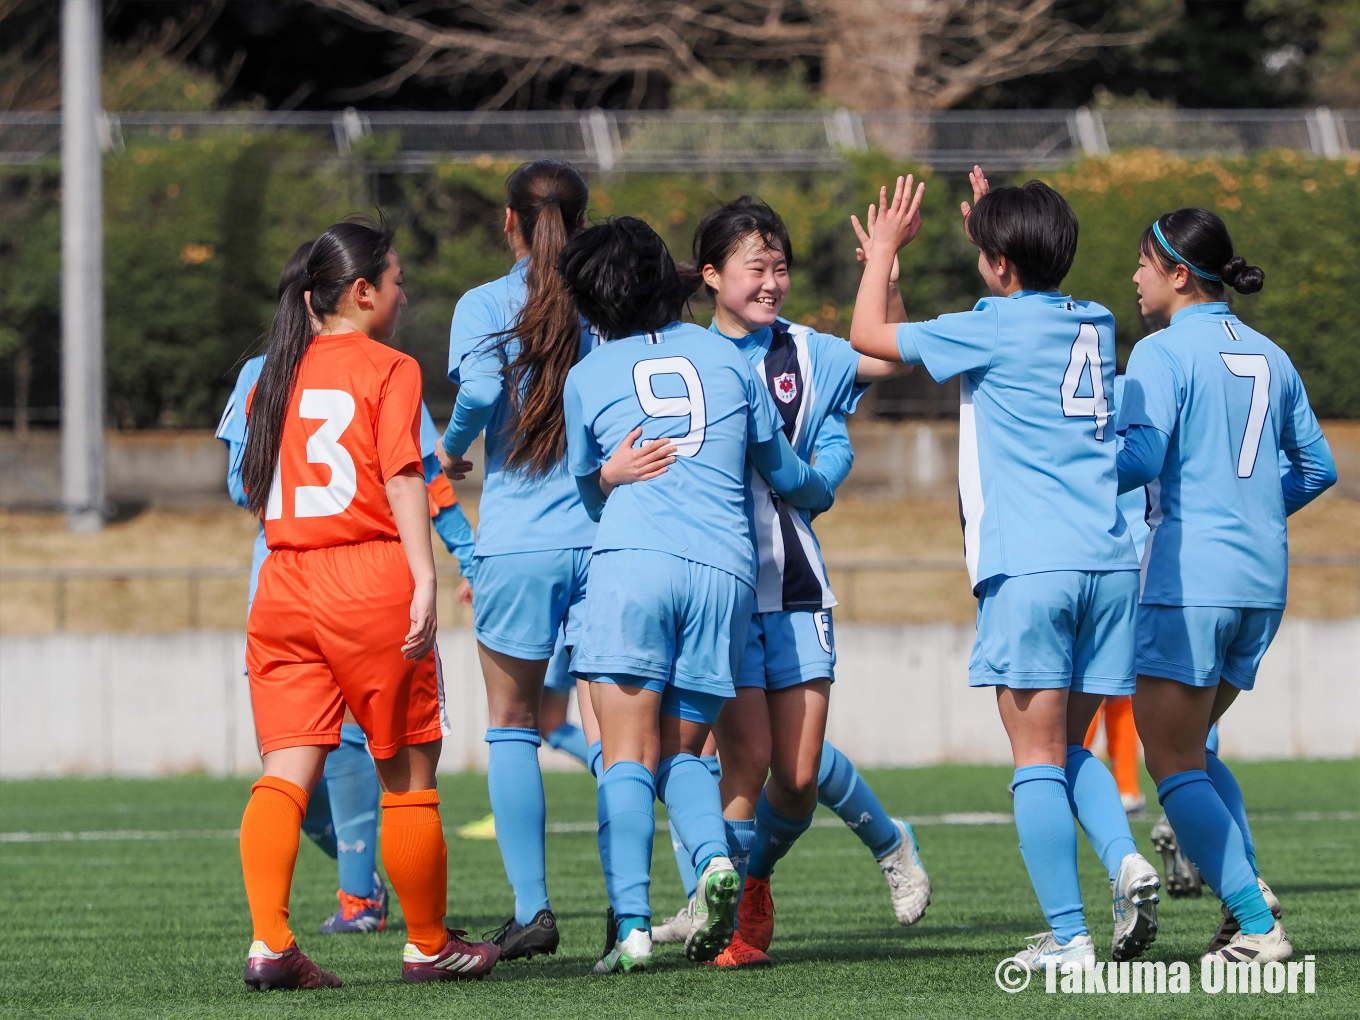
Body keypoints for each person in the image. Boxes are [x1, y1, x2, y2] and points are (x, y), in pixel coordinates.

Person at [850, 169, 1162, 972]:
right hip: (1108, 563)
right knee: (1067, 748)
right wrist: (996, 228)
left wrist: (883, 252)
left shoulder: (989, 326)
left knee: (1032, 761)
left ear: (996, 265)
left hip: (1031, 567)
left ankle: (1070, 938)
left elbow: (869, 340)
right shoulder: (1092, 318)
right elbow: (1018, 289)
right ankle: (1125, 861)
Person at [649, 197, 930, 968]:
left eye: (780, 268)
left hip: (798, 584)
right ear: (710, 275)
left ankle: (775, 872)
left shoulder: (810, 350)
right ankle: (733, 924)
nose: (772, 282)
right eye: (755, 267)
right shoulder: (682, 357)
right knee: (741, 761)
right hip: (721, 590)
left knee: (798, 777)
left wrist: (884, 269)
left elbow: (888, 351)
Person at [559, 216, 836, 975]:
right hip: (724, 575)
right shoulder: (726, 356)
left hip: (635, 563)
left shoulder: (585, 376)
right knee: (684, 753)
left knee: (624, 758)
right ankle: (715, 864)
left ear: (590, 304)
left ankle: (635, 927)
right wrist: (826, 484)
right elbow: (783, 471)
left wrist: (610, 477)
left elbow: (590, 490)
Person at [237, 220, 498, 989]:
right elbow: (403, 475)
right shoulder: (390, 367)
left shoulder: (271, 372)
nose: (402, 294)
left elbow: (253, 486)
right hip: (368, 578)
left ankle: (269, 943)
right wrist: (423, 574)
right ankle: (426, 943)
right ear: (360, 293)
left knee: (284, 774)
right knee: (408, 775)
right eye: (395, 281)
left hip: (282, 581)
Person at [1118, 207, 1336, 965]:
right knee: (1197, 754)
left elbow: (1138, 463)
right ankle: (1250, 892)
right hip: (1261, 581)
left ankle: (1254, 921)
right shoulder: (1272, 354)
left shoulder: (1159, 352)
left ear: (1179, 274)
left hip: (1189, 578)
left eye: (1144, 263)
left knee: (1171, 761)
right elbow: (1319, 468)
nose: (1136, 277)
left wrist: (1060, 467)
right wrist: (1252, 509)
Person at [435, 160, 595, 960]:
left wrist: (449, 450)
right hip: (609, 538)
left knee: (513, 727)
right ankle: (638, 913)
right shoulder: (607, 300)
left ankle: (534, 911)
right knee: (633, 737)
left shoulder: (485, 304)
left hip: (518, 545)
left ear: (508, 223)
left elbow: (478, 392)